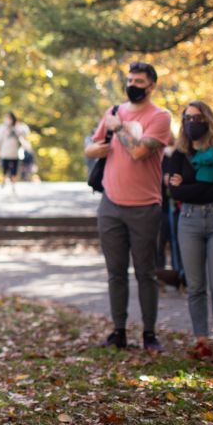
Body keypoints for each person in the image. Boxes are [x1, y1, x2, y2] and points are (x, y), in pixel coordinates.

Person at [85, 62, 172, 352]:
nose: (133, 84)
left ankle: (149, 334)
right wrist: (99, 148)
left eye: (139, 81)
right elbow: (91, 147)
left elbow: (139, 151)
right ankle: (118, 331)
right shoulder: (113, 111)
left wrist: (119, 129)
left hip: (145, 206)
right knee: (115, 271)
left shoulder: (160, 117)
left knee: (146, 272)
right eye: (130, 79)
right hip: (110, 204)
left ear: (151, 86)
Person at [168, 101, 213, 360]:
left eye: (197, 117)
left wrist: (186, 185)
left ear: (207, 119)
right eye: (187, 118)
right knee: (195, 284)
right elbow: (173, 190)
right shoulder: (180, 152)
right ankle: (201, 339)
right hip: (188, 220)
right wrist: (190, 187)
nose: (192, 122)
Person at [0, 112, 29, 190]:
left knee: (14, 170)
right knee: (5, 169)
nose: (7, 120)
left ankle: (13, 185)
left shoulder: (17, 127)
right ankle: (4, 180)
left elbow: (25, 133)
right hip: (5, 152)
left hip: (15, 153)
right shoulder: (2, 128)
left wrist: (18, 126)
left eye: (9, 118)